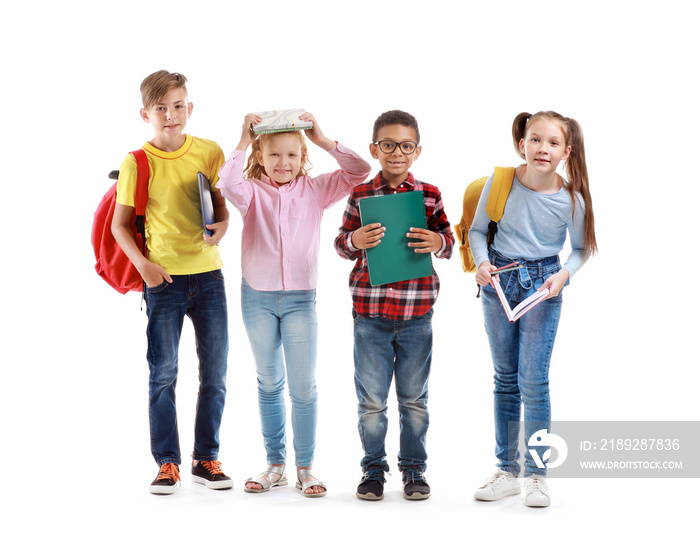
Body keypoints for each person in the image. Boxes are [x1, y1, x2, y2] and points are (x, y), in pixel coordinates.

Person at [217, 112, 371, 497]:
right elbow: (226, 182)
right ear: (262, 156)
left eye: (291, 155)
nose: (283, 163)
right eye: (274, 156)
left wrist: (322, 140)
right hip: (257, 296)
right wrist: (241, 140)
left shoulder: (316, 189)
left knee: (303, 387)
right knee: (269, 382)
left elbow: (360, 171)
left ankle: (306, 468)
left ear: (302, 158)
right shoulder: (251, 191)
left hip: (302, 298)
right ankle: (275, 465)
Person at [111, 70, 232, 495]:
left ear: (190, 108)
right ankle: (167, 463)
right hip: (163, 280)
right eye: (161, 108)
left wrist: (223, 226)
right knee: (163, 373)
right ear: (146, 114)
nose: (171, 115)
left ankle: (206, 458)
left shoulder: (210, 152)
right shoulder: (137, 162)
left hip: (209, 277)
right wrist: (143, 266)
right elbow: (119, 226)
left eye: (178, 106)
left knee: (215, 373)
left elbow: (220, 207)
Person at [469, 111, 597, 507]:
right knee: (505, 378)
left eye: (553, 142)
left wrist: (564, 277)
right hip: (498, 281)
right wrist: (481, 264)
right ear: (522, 143)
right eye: (535, 139)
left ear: (566, 151)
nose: (543, 148)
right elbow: (476, 231)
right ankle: (507, 469)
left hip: (544, 285)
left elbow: (579, 249)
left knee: (534, 381)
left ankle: (537, 474)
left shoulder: (571, 198)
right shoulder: (501, 181)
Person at [334, 110, 454, 501]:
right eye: (388, 145)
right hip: (370, 315)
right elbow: (340, 244)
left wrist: (438, 243)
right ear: (375, 149)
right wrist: (355, 241)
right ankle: (373, 470)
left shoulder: (430, 195)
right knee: (371, 401)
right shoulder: (361, 195)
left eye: (405, 146)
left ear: (416, 151)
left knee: (414, 400)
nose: (396, 153)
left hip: (417, 315)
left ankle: (414, 470)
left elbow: (450, 242)